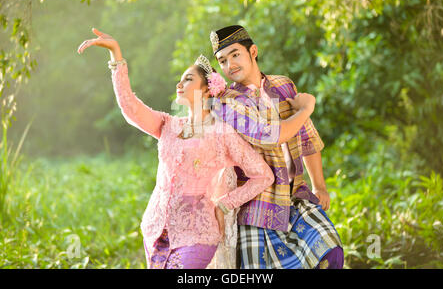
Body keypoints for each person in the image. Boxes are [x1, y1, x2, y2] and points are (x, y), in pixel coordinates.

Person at [77, 28, 313, 269]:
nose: (179, 83)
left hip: (197, 235)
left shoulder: (222, 133)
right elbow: (129, 107)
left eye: (188, 79)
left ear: (207, 90)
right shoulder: (167, 124)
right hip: (156, 230)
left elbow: (263, 175)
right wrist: (116, 55)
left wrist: (224, 203)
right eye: (180, 79)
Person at [209, 25, 344, 269]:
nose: (230, 65)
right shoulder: (226, 102)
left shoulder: (283, 85)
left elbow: (307, 138)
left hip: (296, 196)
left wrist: (320, 186)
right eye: (222, 61)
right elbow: (271, 137)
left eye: (235, 55)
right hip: (258, 207)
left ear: (253, 51)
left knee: (331, 253)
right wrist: (305, 109)